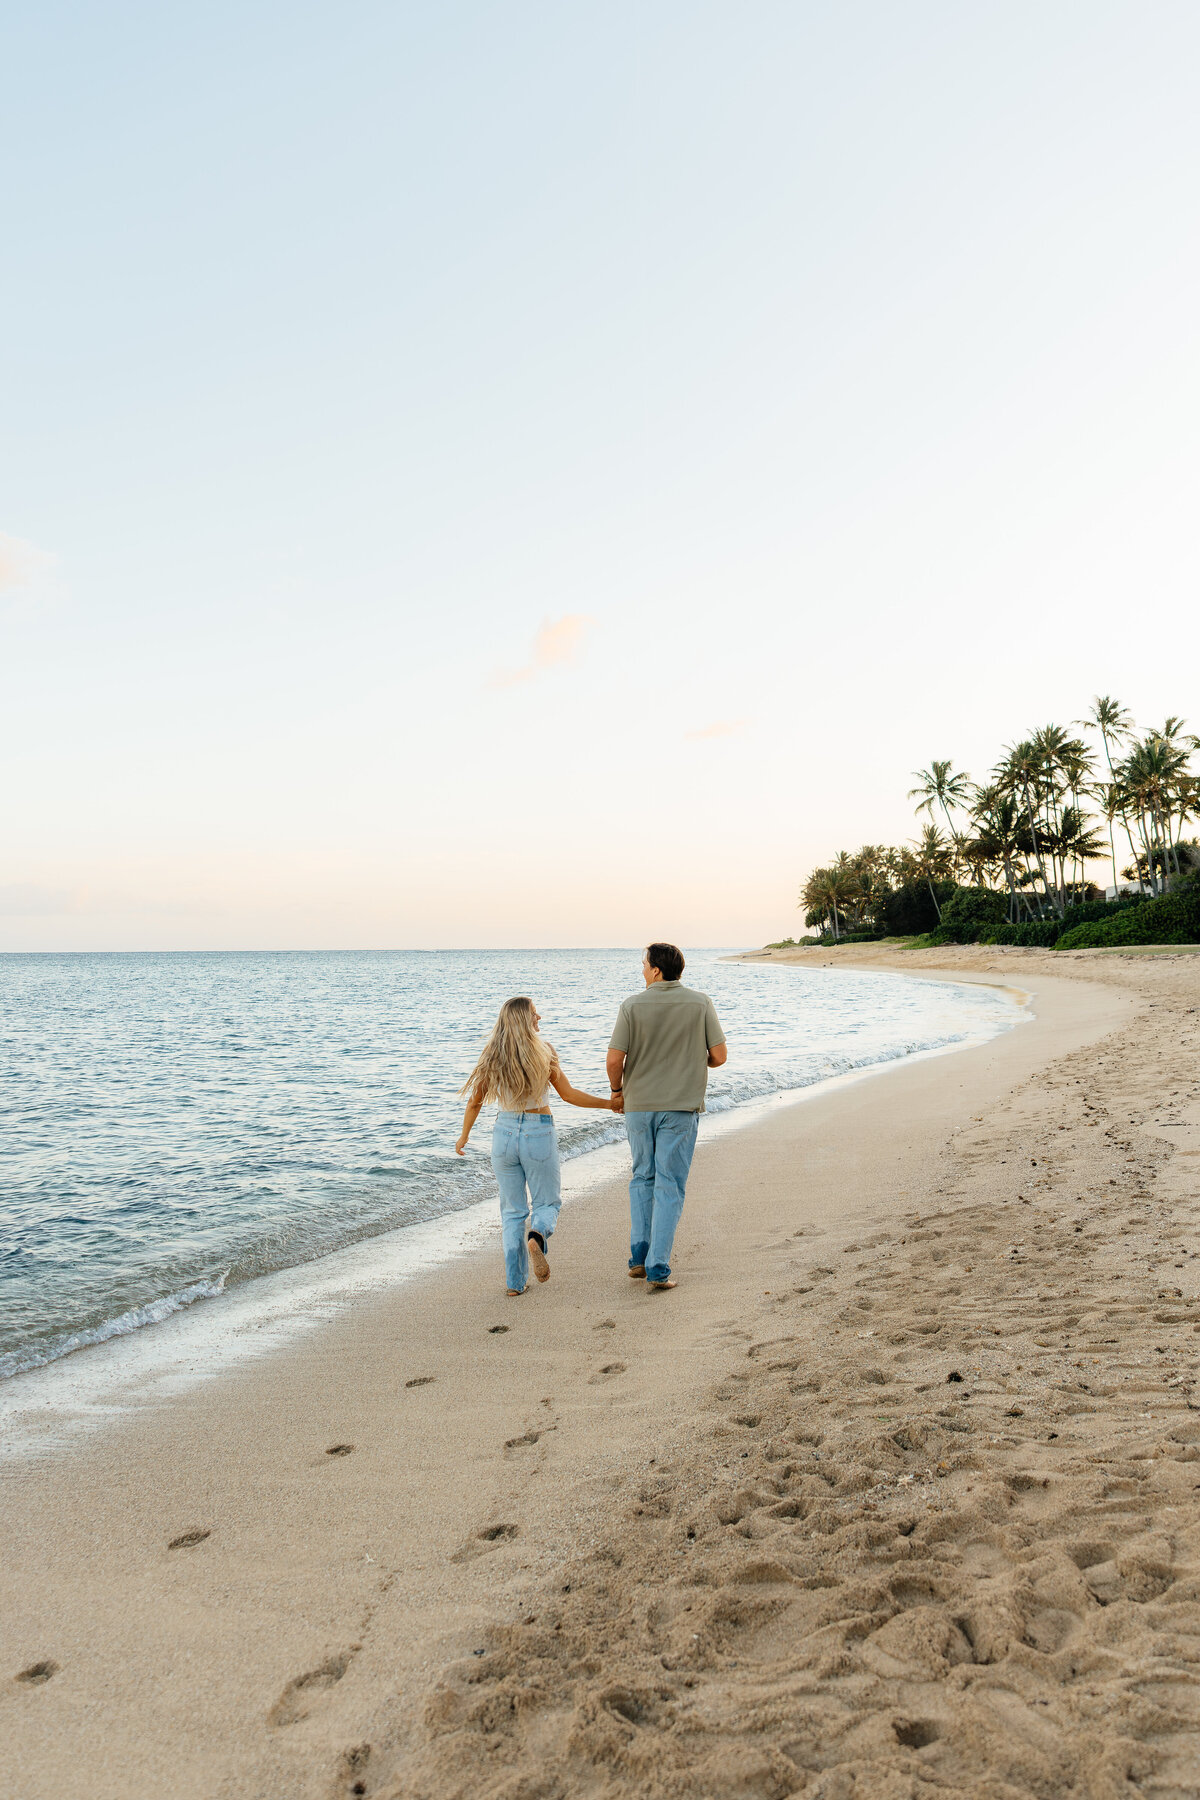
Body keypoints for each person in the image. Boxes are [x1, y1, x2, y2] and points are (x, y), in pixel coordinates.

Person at [457, 996, 620, 1296]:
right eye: (535, 1013)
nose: (540, 1018)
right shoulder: (544, 1052)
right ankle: (538, 1237)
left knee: (511, 1211)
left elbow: (474, 1101)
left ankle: (514, 1284)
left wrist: (464, 1136)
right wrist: (609, 1104)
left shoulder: (492, 1055)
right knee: (546, 1203)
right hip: (538, 1132)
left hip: (503, 1135)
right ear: (523, 1019)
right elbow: (569, 1095)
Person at [606, 944, 727, 1292]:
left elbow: (615, 1060)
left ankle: (639, 1257)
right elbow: (718, 1056)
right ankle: (658, 1266)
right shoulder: (700, 1002)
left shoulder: (631, 1005)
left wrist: (617, 1092)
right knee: (669, 1184)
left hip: (640, 1108)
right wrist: (690, 1059)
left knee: (643, 1176)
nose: (642, 970)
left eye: (644, 964)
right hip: (680, 1107)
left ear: (657, 970)